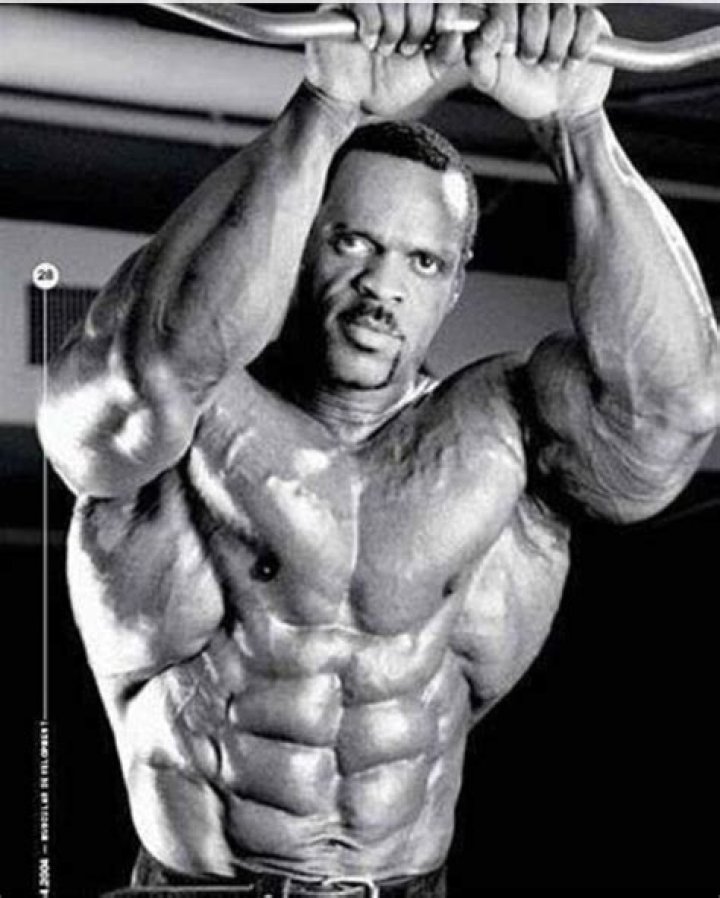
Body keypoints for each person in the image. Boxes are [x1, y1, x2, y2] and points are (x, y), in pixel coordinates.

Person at [38, 4, 719, 896]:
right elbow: (156, 363)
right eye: (352, 242)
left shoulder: (503, 434)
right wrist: (326, 107)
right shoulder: (181, 427)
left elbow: (672, 414)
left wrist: (579, 127)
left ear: (455, 281)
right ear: (298, 242)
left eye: (421, 261)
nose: (382, 287)